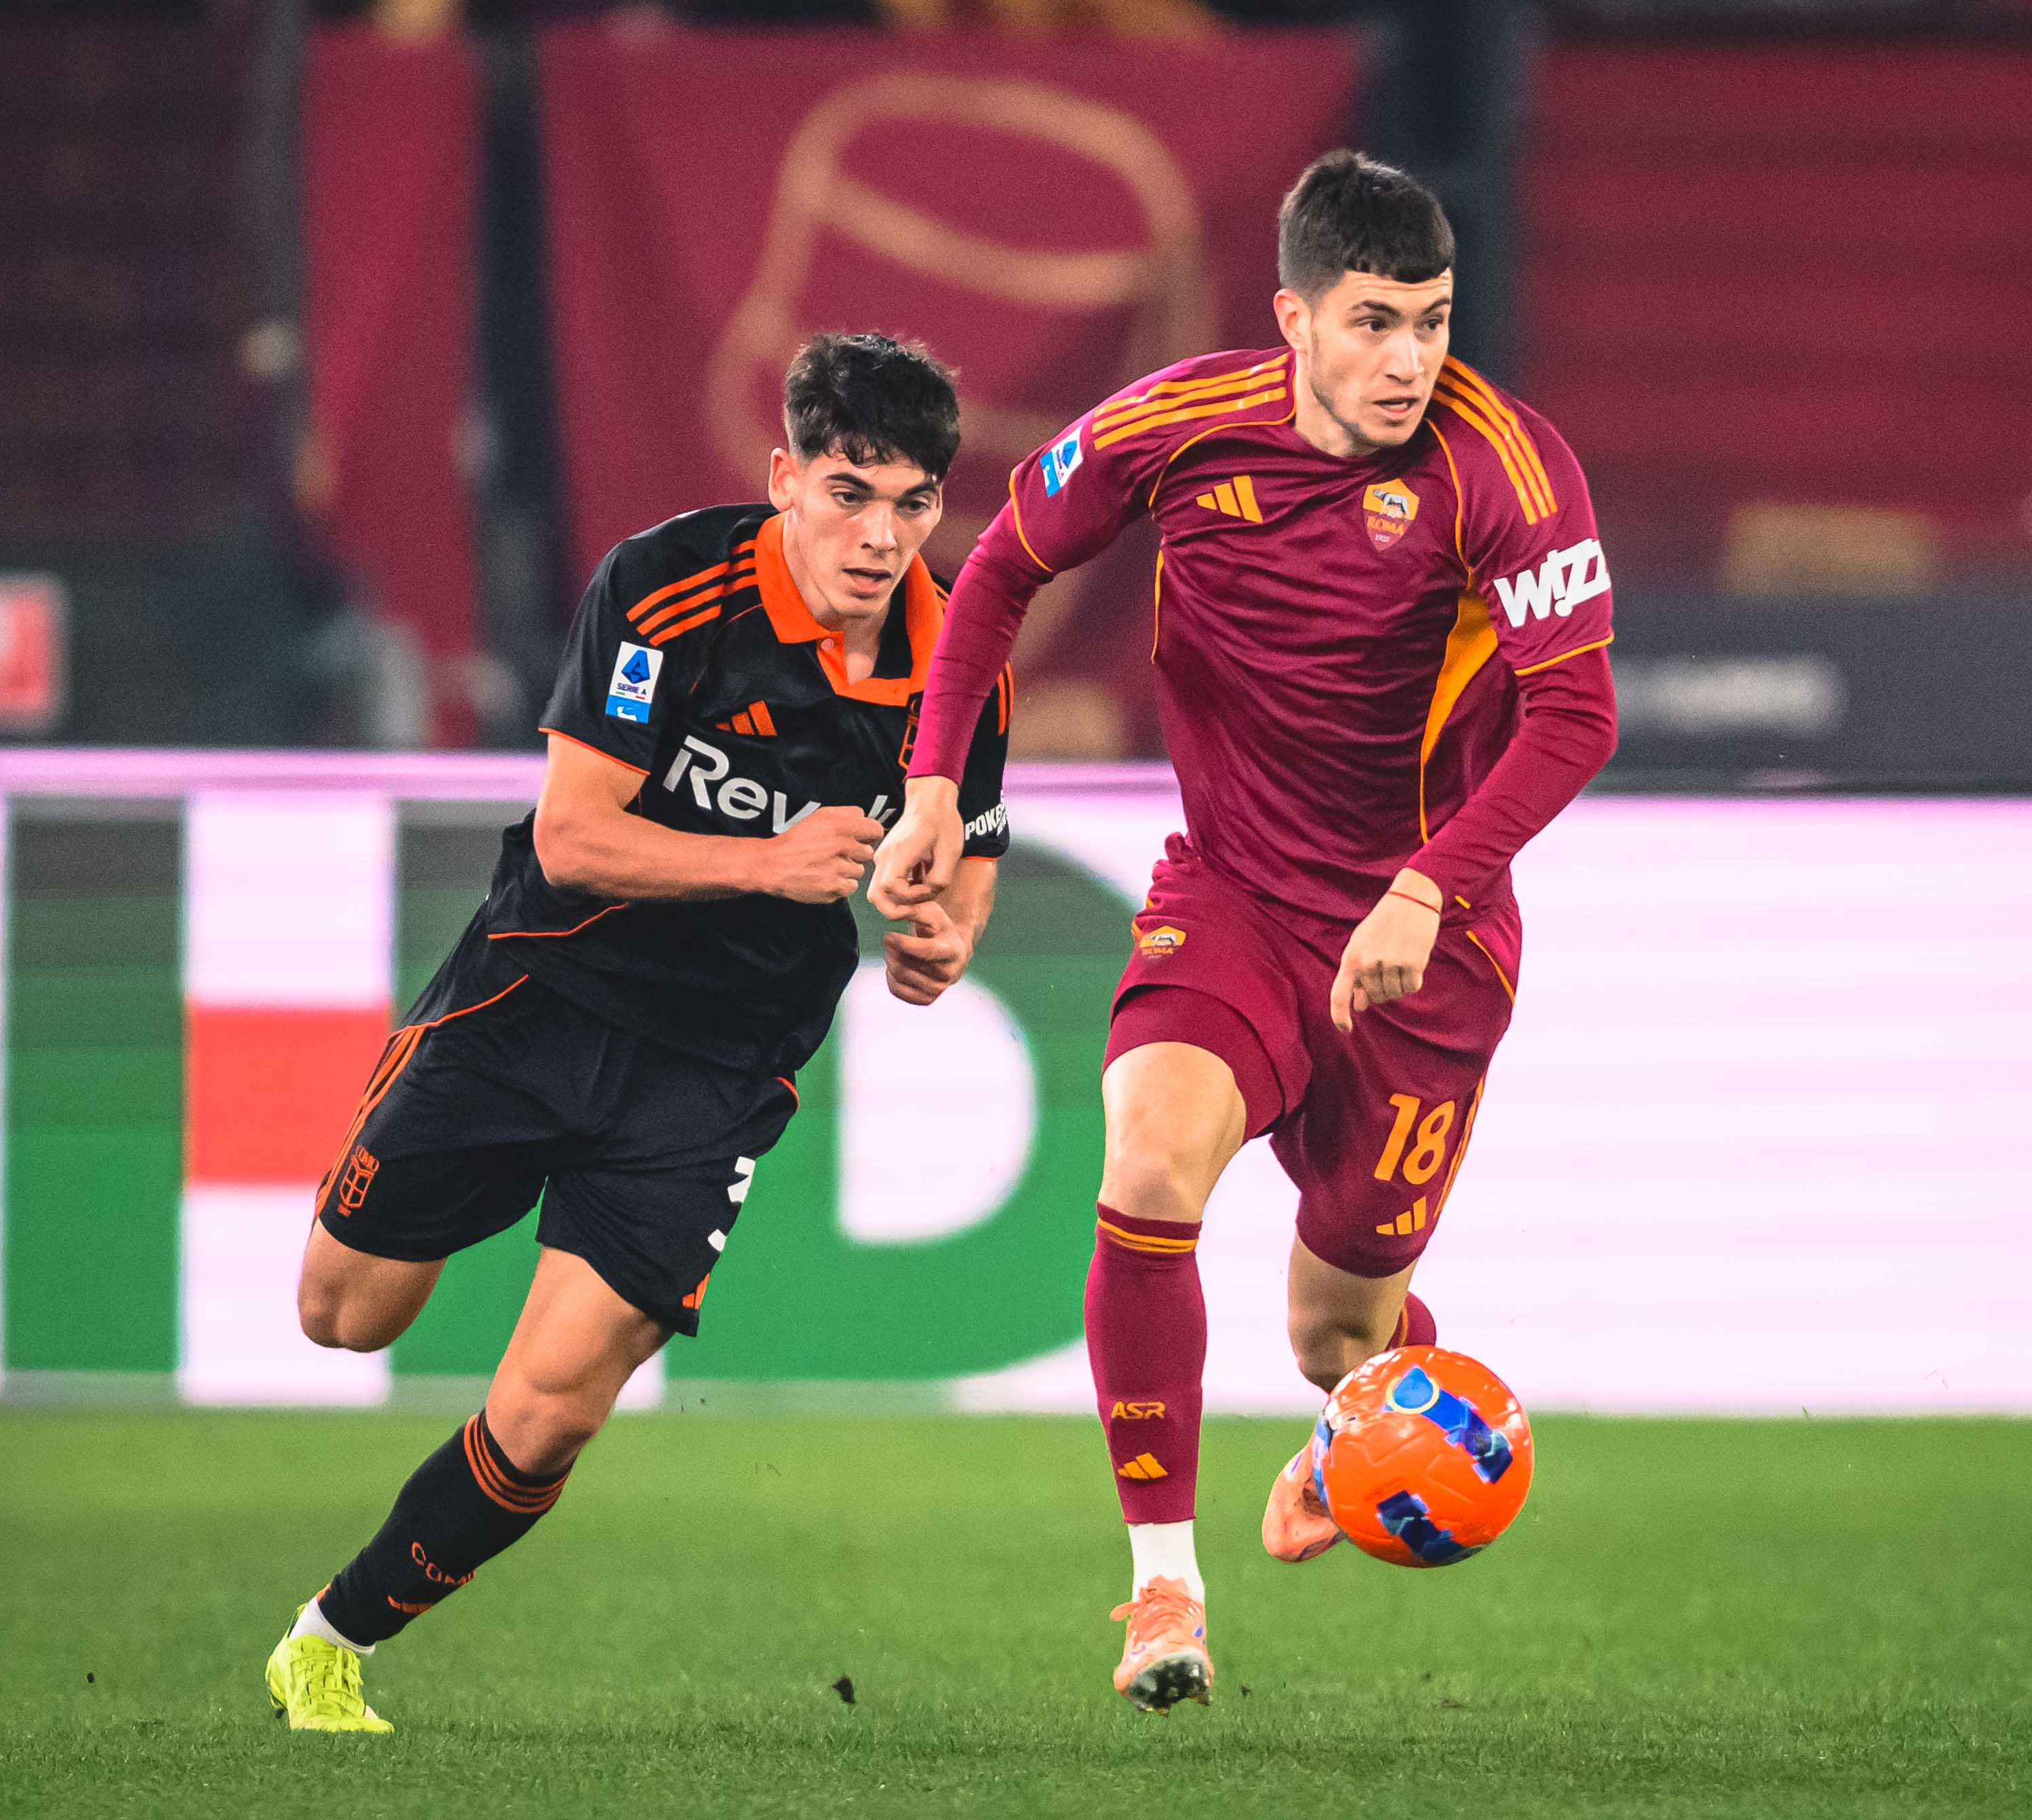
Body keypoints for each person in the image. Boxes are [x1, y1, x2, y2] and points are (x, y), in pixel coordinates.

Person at [870, 151, 1618, 1713]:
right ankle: (1164, 1590)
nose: (1409, 359)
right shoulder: (1174, 426)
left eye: (1432, 321)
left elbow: (1575, 717)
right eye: (1372, 323)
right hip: (1233, 897)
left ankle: (1354, 1432)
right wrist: (937, 779)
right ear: (1292, 319)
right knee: (1145, 1166)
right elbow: (997, 567)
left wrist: (1430, 884)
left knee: (1334, 1335)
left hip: (1430, 943)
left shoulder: (1506, 467)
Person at [263, 332, 1013, 1732]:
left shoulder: (961, 660)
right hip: (541, 996)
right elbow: (573, 835)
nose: (880, 535)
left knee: (554, 1408)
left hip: (714, 1071)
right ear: (785, 476)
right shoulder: (665, 587)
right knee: (343, 1314)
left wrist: (946, 931)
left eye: (912, 503)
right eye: (850, 493)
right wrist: (770, 862)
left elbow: (966, 843)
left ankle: (331, 1637)